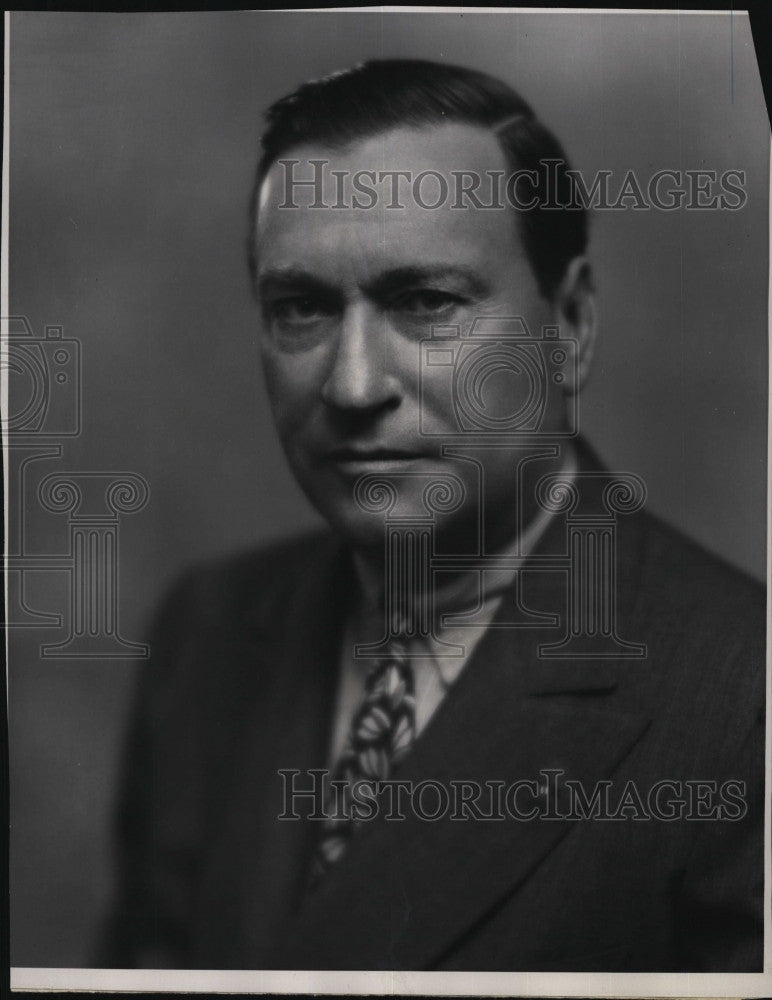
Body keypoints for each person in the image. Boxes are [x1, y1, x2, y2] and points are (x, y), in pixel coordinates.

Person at [100, 60, 765, 972]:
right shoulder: (205, 635)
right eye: (301, 308)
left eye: (426, 303)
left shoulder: (742, 702)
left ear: (569, 326)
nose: (352, 384)